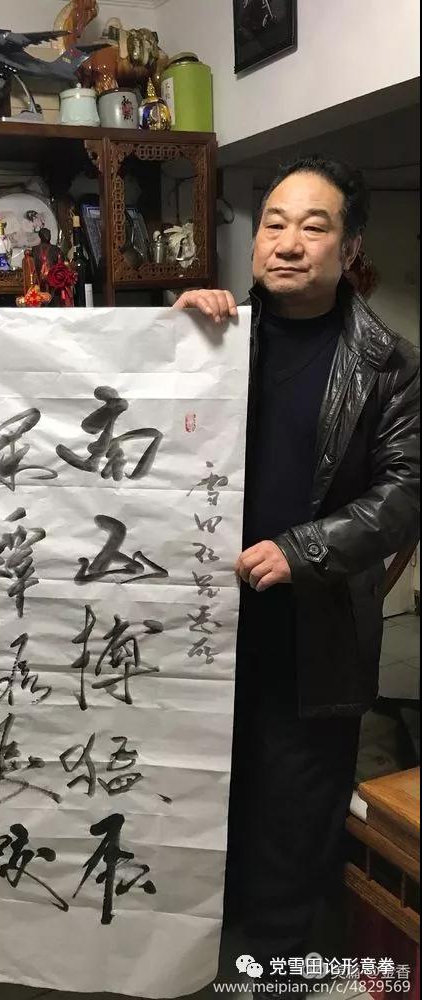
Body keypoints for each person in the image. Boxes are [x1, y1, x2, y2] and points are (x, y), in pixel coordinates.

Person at [173, 157, 419, 969]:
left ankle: (274, 960)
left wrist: (302, 549)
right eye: (273, 223)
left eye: (314, 227)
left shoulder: (390, 365)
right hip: (202, 614)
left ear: (349, 247)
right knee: (209, 777)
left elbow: (405, 495)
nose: (287, 242)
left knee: (295, 795)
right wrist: (167, 339)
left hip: (314, 625)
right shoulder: (211, 339)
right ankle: (202, 936)